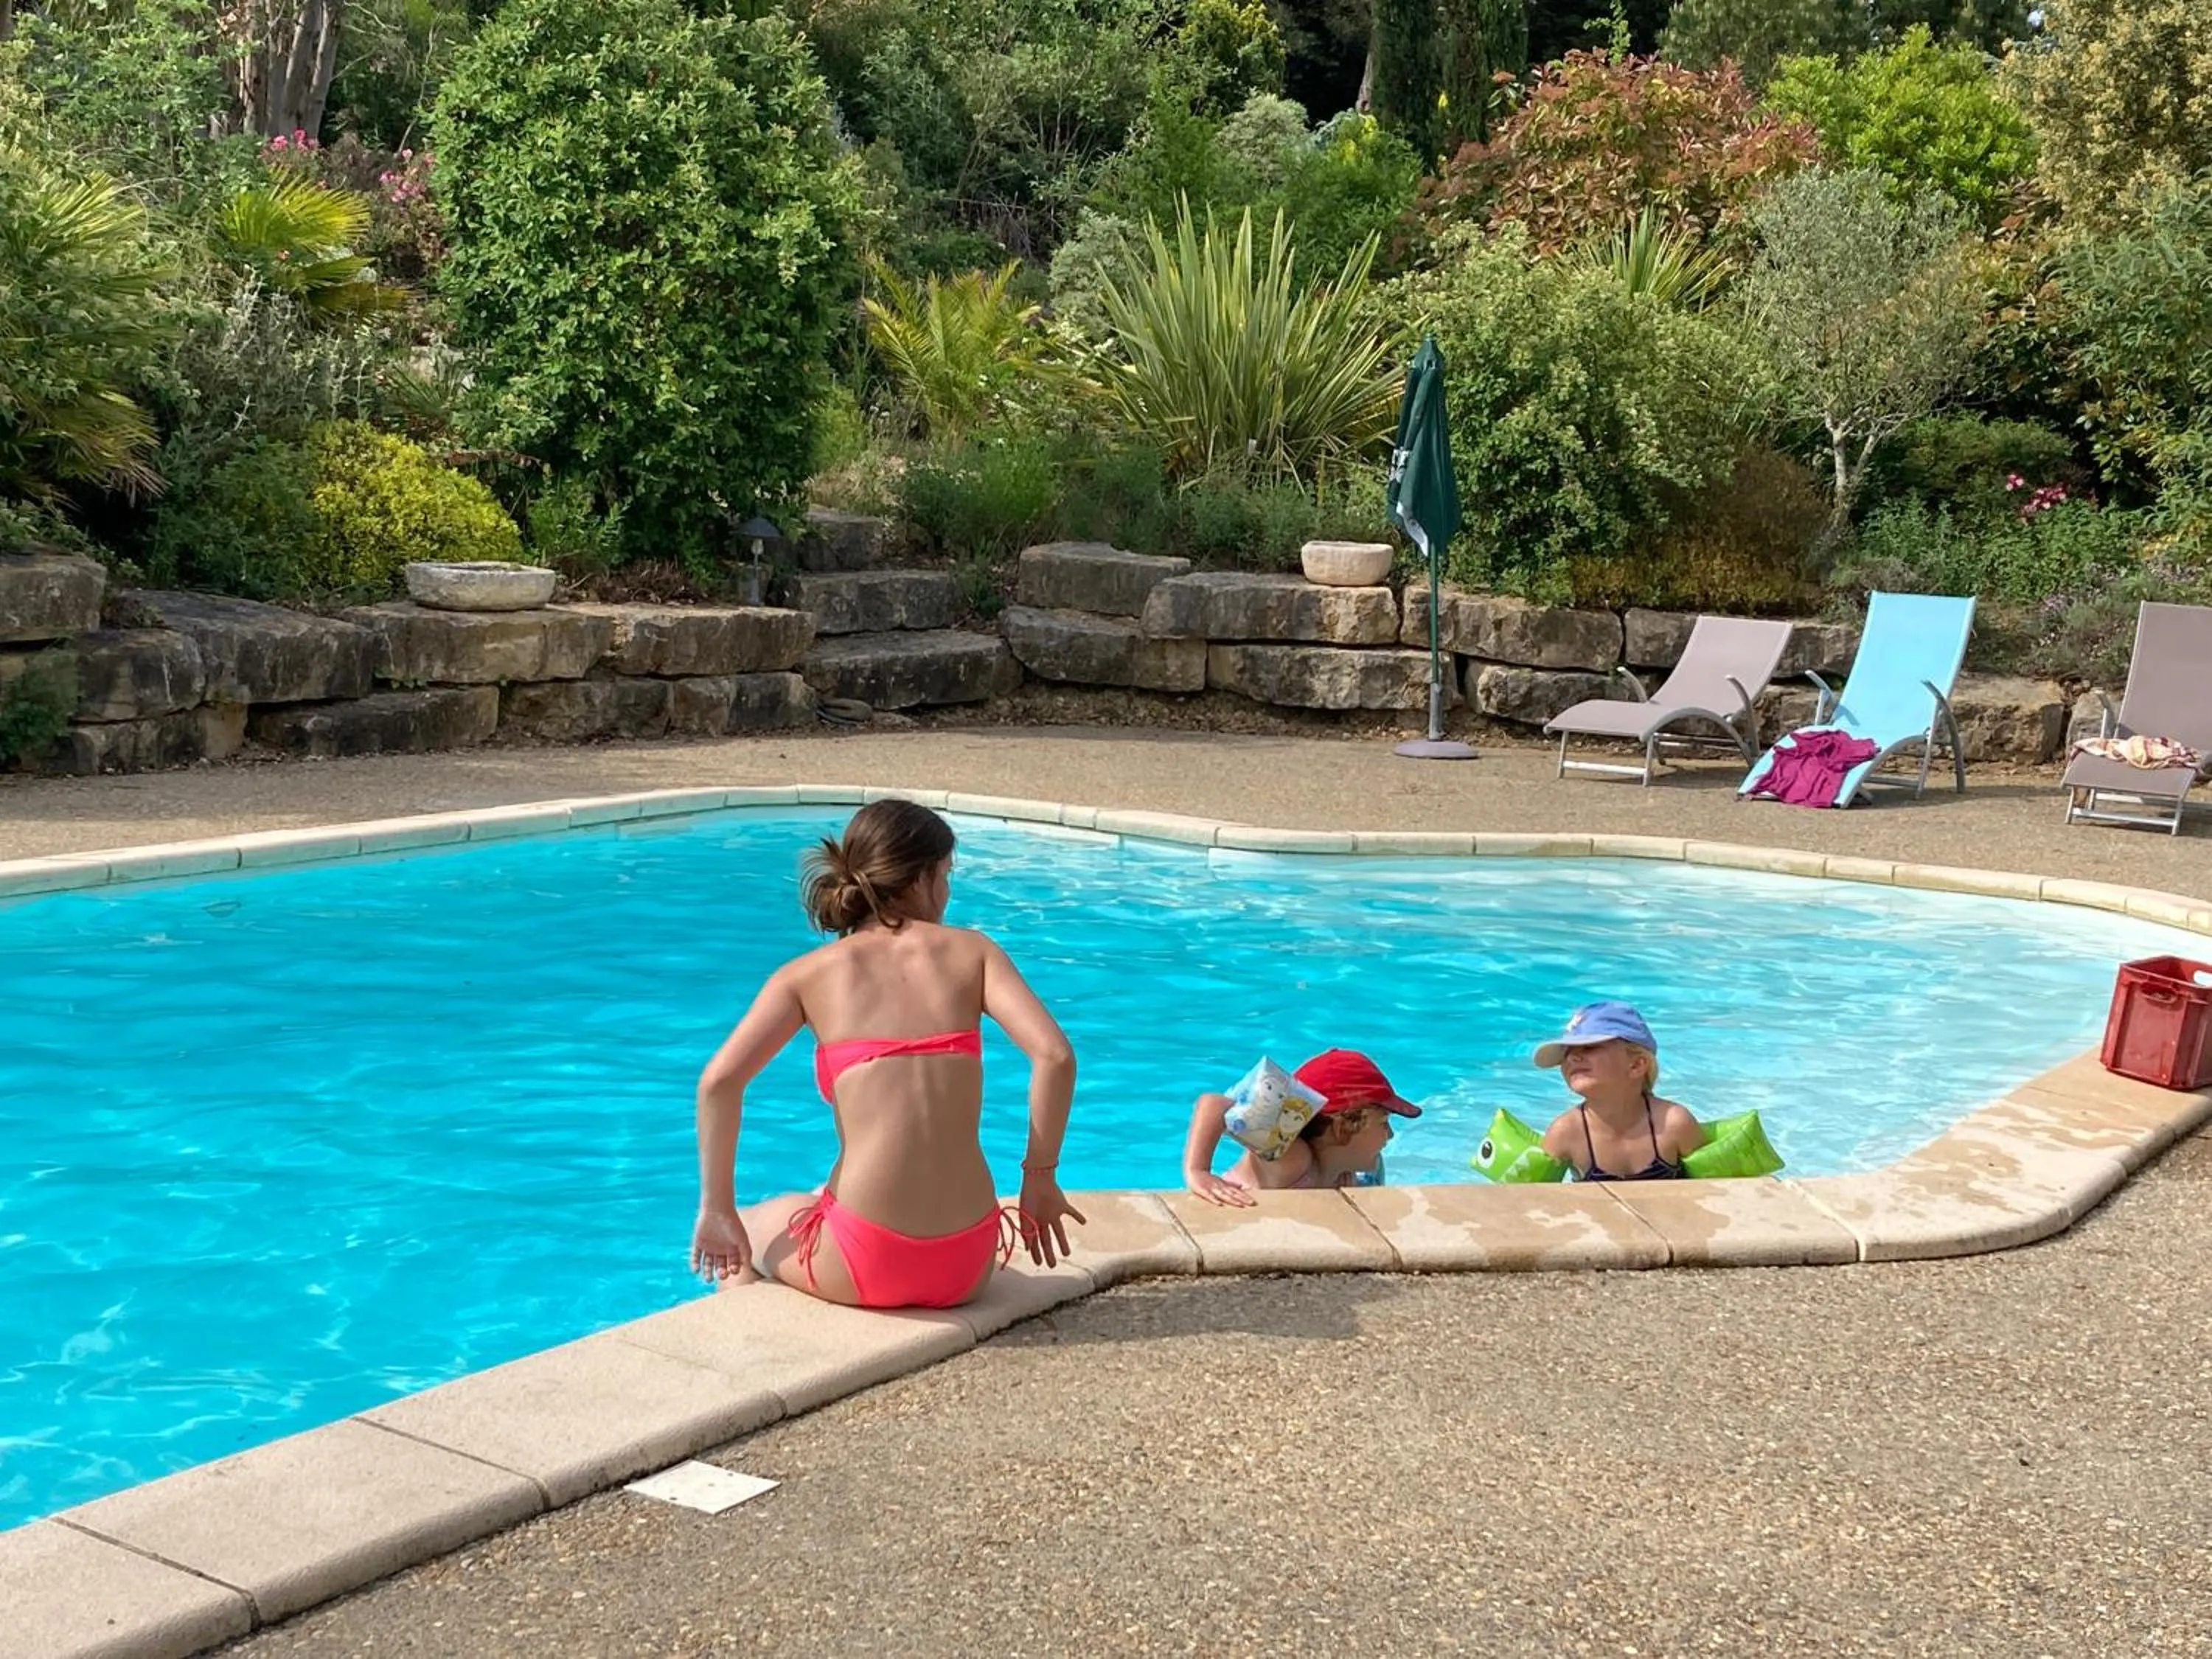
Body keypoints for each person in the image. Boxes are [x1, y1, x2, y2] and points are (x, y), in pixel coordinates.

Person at [689, 800, 1084, 1308]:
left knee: (740, 1229)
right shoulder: (974, 952)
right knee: (817, 1195)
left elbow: (719, 1084)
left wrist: (716, 1210)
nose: (947, 892)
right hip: (967, 1264)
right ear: (921, 879)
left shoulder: (806, 975)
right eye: (946, 876)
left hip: (866, 1263)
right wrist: (1039, 1178)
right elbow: (1054, 1056)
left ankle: (742, 1335)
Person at [1182, 1048, 1421, 1206]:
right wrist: (1199, 1172)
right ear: (1345, 1126)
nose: (1391, 1134)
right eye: (1384, 1123)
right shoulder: (1293, 1160)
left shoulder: (1357, 1169)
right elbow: (1215, 1105)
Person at [1534, 1002, 1705, 1182]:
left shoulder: (1674, 1123)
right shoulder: (1566, 1132)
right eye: (1567, 1052)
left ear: (1636, 1065)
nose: (1572, 1058)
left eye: (1589, 1047)